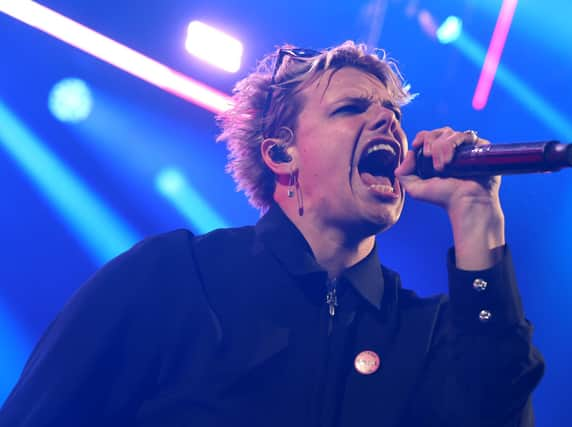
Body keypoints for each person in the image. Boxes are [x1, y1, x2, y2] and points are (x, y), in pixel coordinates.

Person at [0, 41, 544, 426]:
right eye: (352, 108)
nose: (389, 124)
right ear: (281, 153)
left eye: (392, 114)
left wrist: (476, 211)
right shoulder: (177, 277)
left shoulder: (423, 333)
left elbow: (493, 408)